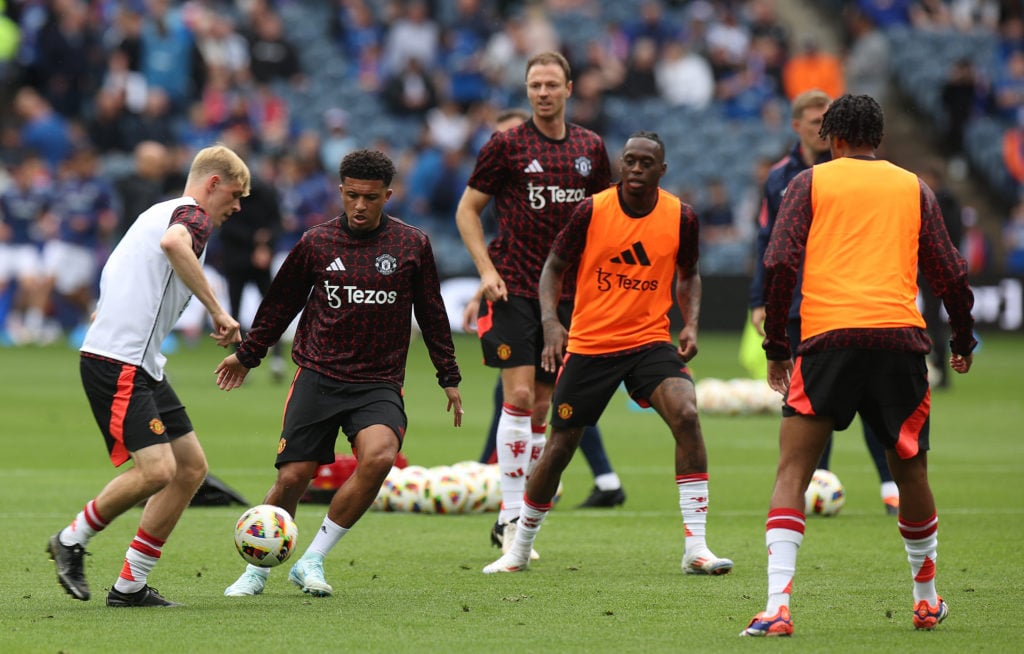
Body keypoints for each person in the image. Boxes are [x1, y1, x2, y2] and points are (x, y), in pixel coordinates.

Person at [741, 94, 976, 637]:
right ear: (880, 139)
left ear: (832, 139)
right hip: (900, 340)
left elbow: (777, 261)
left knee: (793, 470)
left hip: (827, 340)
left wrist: (777, 344)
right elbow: (951, 272)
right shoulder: (914, 186)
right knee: (910, 470)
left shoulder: (808, 183)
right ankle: (925, 599)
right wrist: (961, 339)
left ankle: (778, 605)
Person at [482, 131, 733, 576]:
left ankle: (696, 547)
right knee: (559, 448)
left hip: (649, 342)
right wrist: (551, 321)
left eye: (645, 163)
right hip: (592, 344)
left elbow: (690, 274)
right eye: (629, 161)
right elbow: (553, 268)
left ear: (662, 170)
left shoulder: (682, 217)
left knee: (687, 415)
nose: (635, 169)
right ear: (620, 164)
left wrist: (691, 322)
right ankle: (519, 548)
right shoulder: (593, 209)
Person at [218, 149, 463, 598]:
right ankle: (257, 571)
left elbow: (432, 311)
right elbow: (279, 304)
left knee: (381, 456)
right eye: (352, 196)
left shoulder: (412, 245)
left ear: (388, 195)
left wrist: (448, 373)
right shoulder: (317, 242)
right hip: (318, 374)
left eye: (370, 197)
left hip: (378, 382)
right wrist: (247, 355)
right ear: (341, 192)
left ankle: (312, 559)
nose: (360, 206)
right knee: (293, 478)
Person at [46, 144, 250, 607]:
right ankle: (71, 540)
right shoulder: (191, 217)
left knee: (191, 468)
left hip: (141, 364)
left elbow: (119, 268)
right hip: (119, 362)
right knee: (157, 470)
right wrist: (218, 311)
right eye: (235, 194)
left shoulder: (157, 211)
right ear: (213, 183)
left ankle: (131, 585)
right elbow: (173, 245)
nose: (237, 207)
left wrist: (109, 309)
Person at [455, 51, 614, 556]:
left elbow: (607, 219)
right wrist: (485, 271)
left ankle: (526, 512)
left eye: (551, 84)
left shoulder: (591, 148)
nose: (543, 93)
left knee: (546, 405)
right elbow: (467, 210)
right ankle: (507, 515)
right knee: (519, 397)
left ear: (569, 88)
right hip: (516, 285)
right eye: (534, 85)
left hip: (570, 295)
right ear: (527, 91)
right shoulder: (506, 146)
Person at [748, 89, 898, 515]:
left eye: (827, 122)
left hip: (852, 299)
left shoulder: (859, 176)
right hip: (800, 304)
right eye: (815, 122)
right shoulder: (782, 178)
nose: (823, 130)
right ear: (797, 126)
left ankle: (890, 486)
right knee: (812, 402)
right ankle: (817, 482)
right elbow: (768, 243)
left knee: (871, 399)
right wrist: (759, 300)